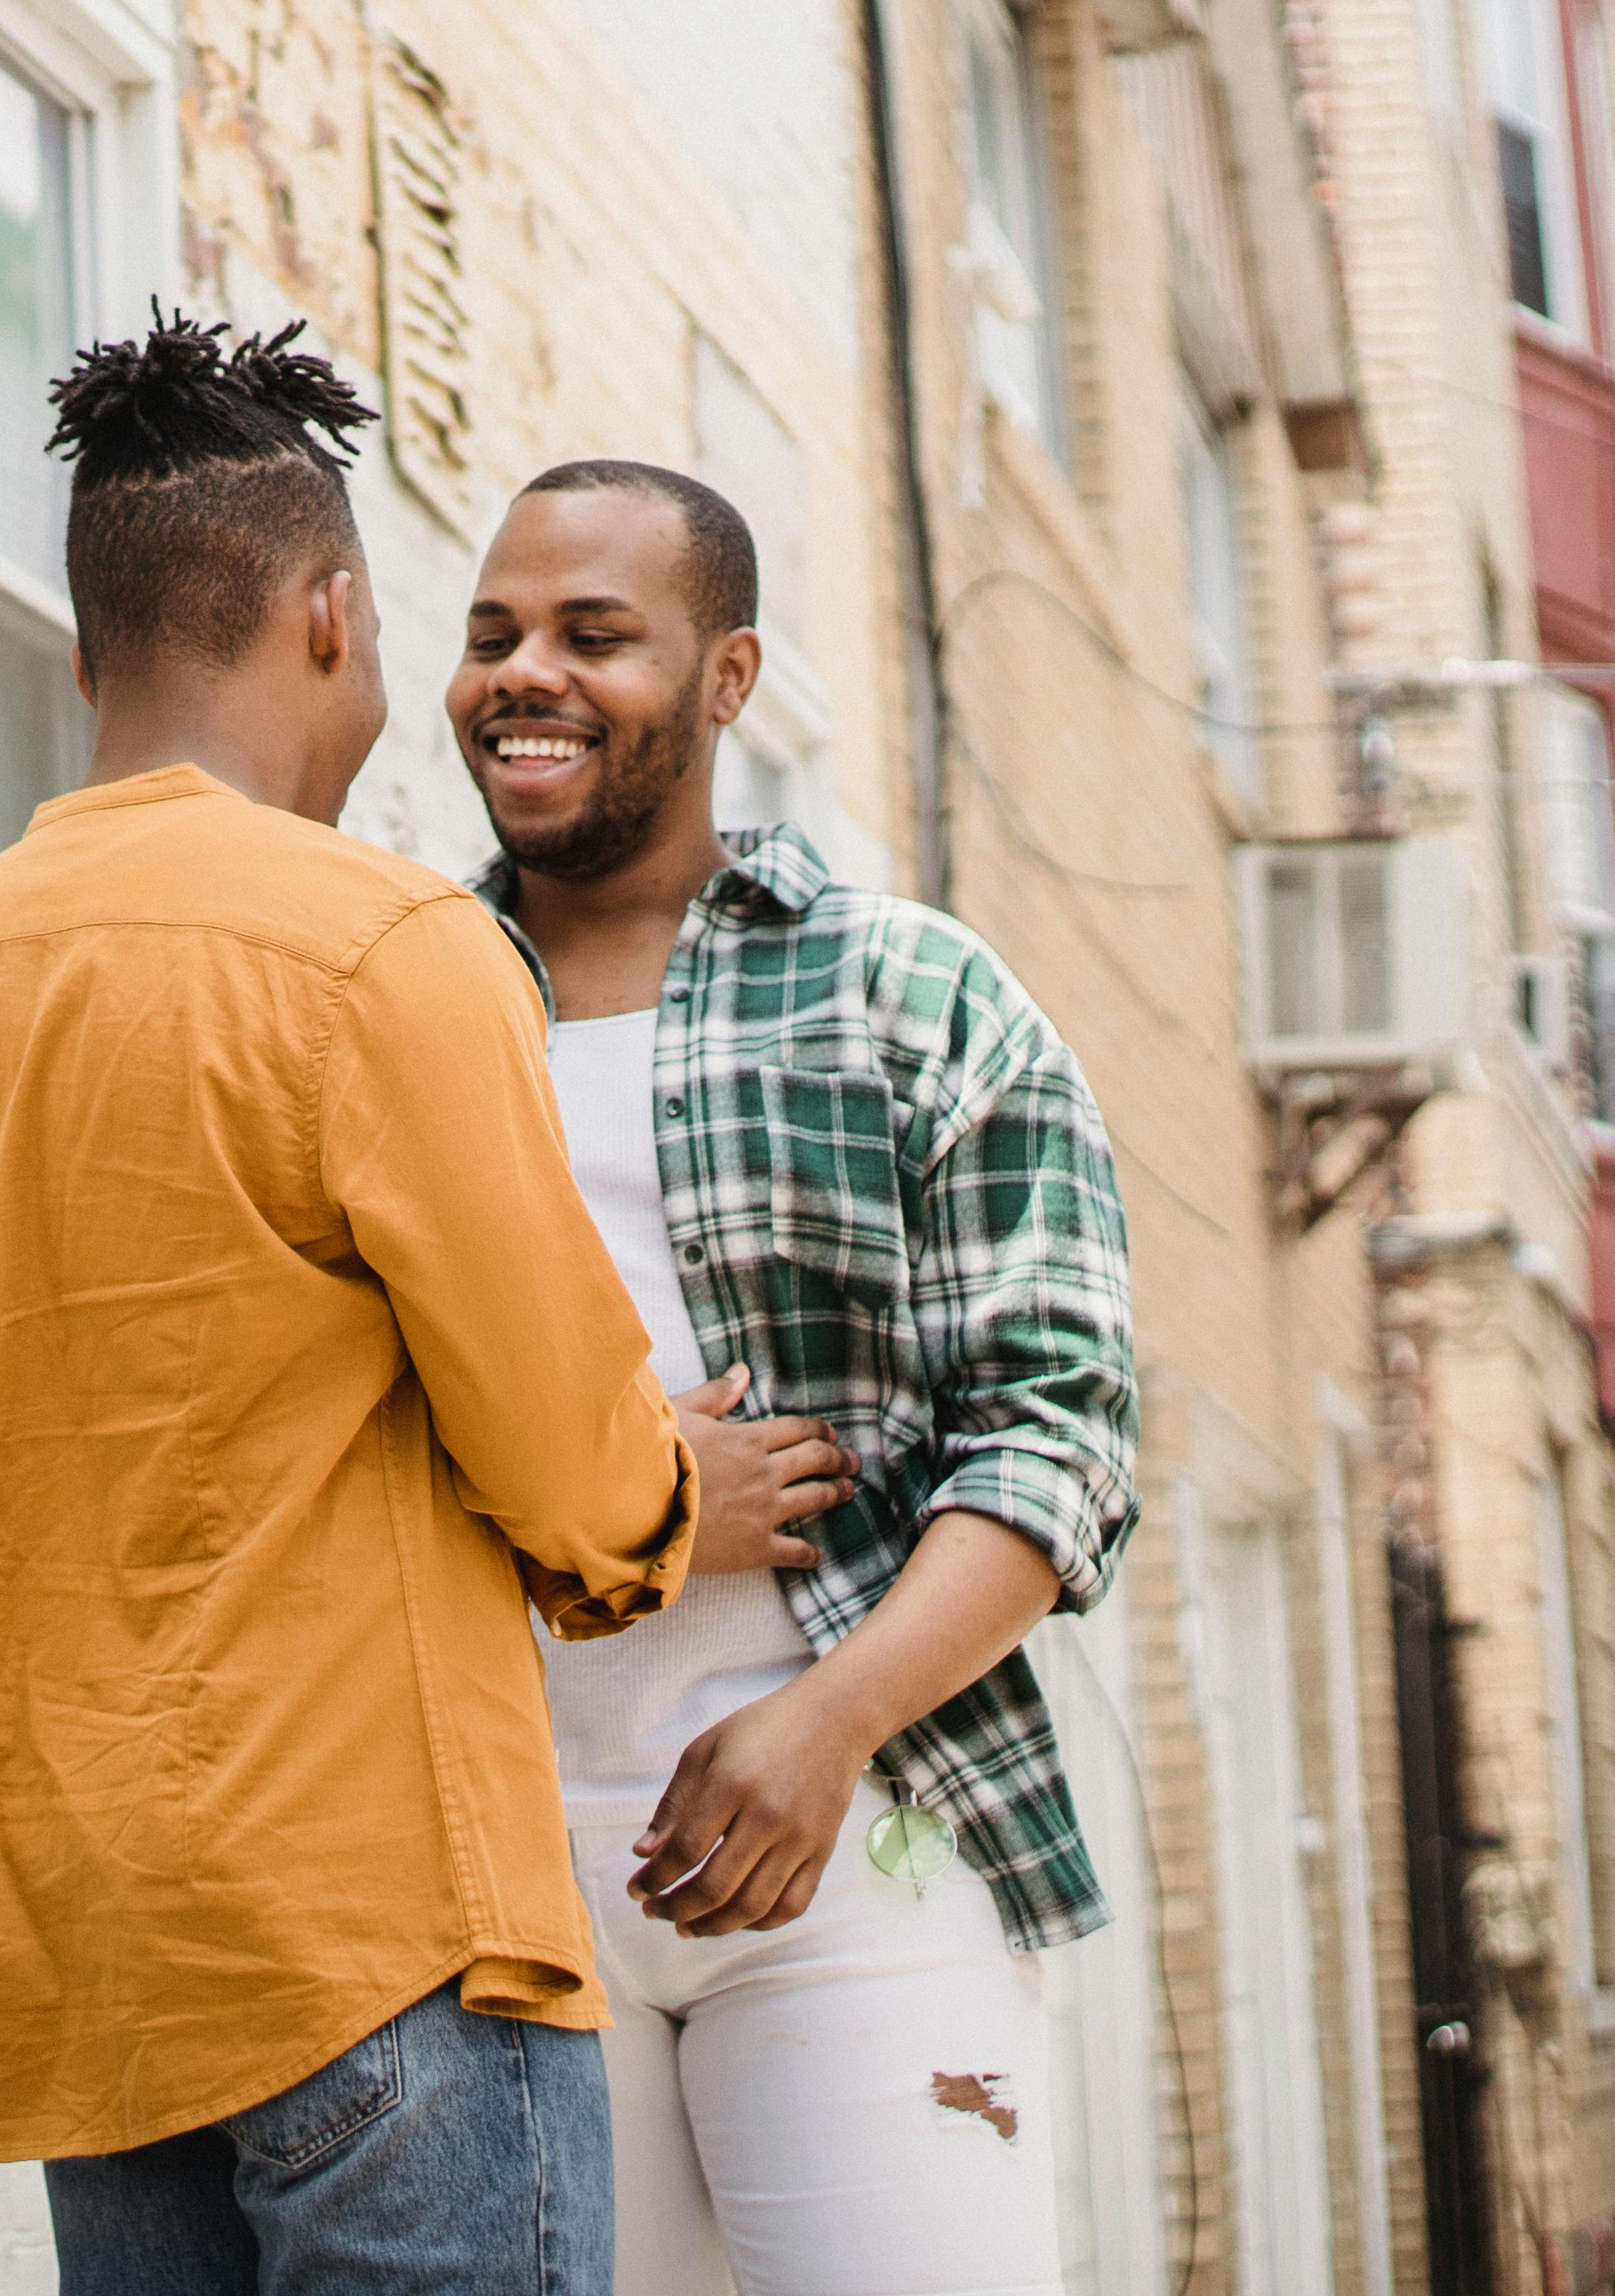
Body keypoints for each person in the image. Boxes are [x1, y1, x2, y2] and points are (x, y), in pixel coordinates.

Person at [0, 311, 714, 2296]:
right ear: (326, 613)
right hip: (366, 1927)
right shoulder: (381, 944)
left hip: (68, 1955)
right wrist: (667, 1505)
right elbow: (574, 1468)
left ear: (80, 651)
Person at [450, 458, 1141, 2296]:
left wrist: (823, 1718)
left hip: (857, 1837)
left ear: (729, 676)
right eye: (493, 632)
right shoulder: (395, 1008)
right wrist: (619, 1490)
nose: (528, 672)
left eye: (597, 634)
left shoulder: (910, 995)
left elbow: (1058, 1427)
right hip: (487, 1873)